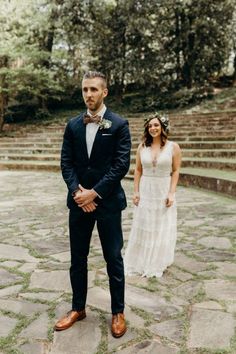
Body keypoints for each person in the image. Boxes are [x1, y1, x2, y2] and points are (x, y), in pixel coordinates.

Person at [54, 71, 131, 338]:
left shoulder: (119, 124)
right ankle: (78, 308)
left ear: (104, 92)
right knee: (78, 259)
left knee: (113, 258)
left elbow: (121, 165)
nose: (89, 94)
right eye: (85, 89)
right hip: (78, 203)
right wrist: (78, 193)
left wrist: (94, 194)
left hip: (107, 203)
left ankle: (118, 312)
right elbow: (67, 163)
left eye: (94, 90)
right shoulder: (73, 125)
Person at [124, 113, 181, 278]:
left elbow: (176, 170)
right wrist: (136, 191)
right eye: (150, 126)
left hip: (163, 188)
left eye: (156, 125)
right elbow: (138, 170)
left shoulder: (173, 147)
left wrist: (171, 193)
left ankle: (157, 260)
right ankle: (142, 260)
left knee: (161, 225)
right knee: (145, 223)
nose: (153, 128)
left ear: (163, 127)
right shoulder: (142, 147)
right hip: (146, 188)